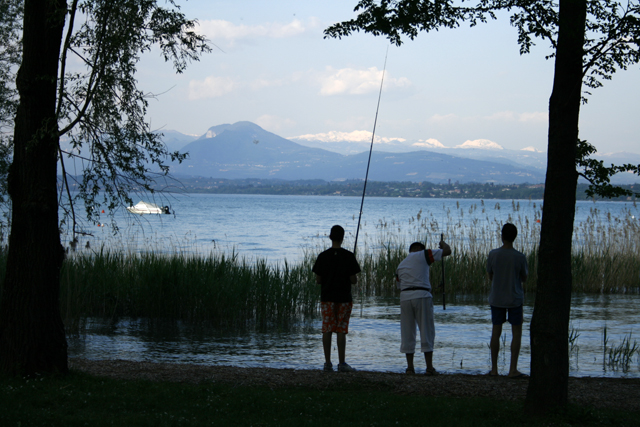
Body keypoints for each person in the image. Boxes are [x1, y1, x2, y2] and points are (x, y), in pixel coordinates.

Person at [395, 238, 451, 375]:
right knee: (427, 331)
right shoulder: (424, 254)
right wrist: (443, 245)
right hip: (422, 295)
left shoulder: (401, 265)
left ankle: (410, 368)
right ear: (420, 249)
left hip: (405, 297)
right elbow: (447, 251)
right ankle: (429, 368)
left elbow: (399, 286)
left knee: (407, 332)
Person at [312, 225, 361, 372]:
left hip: (327, 297)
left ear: (330, 237)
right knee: (341, 329)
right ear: (342, 237)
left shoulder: (323, 256)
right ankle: (342, 363)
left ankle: (327, 363)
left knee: (327, 328)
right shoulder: (348, 256)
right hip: (344, 298)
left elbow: (318, 280)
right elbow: (353, 280)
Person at [486, 223, 529, 378]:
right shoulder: (520, 257)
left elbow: (490, 275)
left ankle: (494, 369)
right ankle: (512, 369)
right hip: (514, 299)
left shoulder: (493, 254)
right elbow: (524, 278)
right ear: (515, 237)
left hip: (497, 298)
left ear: (501, 236)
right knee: (516, 333)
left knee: (496, 331)